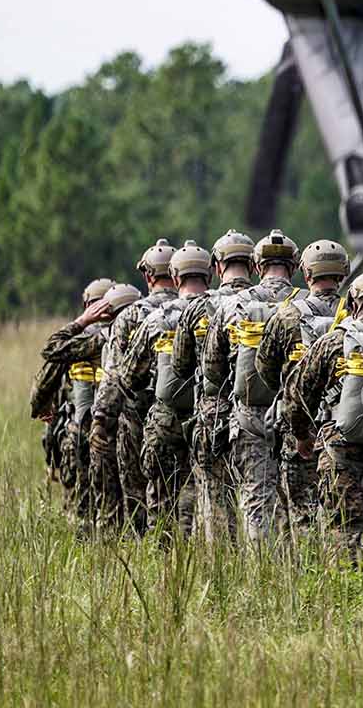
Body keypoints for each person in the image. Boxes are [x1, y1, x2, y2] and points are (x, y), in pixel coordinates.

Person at [282, 270, 363, 567]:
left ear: (352, 301)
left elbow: (297, 395)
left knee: (343, 529)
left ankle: (345, 593)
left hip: (339, 447)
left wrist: (302, 436)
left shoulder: (334, 341)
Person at [252, 238, 350, 537]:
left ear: (306, 274)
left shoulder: (286, 315)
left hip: (299, 431)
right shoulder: (354, 315)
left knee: (300, 512)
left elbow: (265, 367)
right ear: (343, 273)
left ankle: (306, 573)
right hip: (346, 427)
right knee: (343, 514)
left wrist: (289, 391)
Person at [211, 229, 301, 541]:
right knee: (301, 506)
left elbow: (212, 368)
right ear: (295, 266)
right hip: (299, 421)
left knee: (257, 503)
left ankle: (261, 576)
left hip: (250, 417)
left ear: (257, 265)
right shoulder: (308, 306)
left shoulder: (233, 305)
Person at [121, 240, 216, 534]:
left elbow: (128, 376)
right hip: (210, 419)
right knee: (210, 498)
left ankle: (164, 560)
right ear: (209, 276)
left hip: (165, 420)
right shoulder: (223, 312)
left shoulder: (156, 319)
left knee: (161, 503)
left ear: (176, 278)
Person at [87, 239, 178, 532]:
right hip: (182, 413)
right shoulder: (194, 308)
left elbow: (114, 376)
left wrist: (102, 420)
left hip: (136, 417)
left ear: (147, 276)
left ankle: (149, 549)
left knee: (138, 495)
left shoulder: (130, 316)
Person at [172, 228, 255, 544]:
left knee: (213, 497)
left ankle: (220, 567)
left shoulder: (198, 307)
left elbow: (180, 366)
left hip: (211, 413)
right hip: (255, 414)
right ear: (253, 265)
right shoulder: (266, 305)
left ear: (217, 267)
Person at [28, 278, 125, 526]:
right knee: (117, 507)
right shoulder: (120, 336)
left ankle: (85, 555)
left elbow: (39, 391)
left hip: (77, 434)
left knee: (79, 511)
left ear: (87, 305)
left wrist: (44, 408)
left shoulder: (75, 343)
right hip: (116, 431)